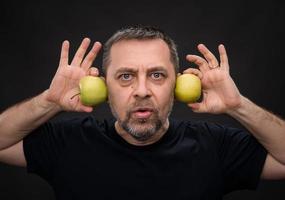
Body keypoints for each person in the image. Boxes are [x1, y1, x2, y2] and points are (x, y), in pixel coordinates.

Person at [0, 25, 284, 200]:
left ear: (178, 84)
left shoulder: (214, 145)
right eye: (125, 76)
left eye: (157, 75)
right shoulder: (68, 142)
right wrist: (50, 101)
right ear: (103, 85)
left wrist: (238, 106)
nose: (142, 90)